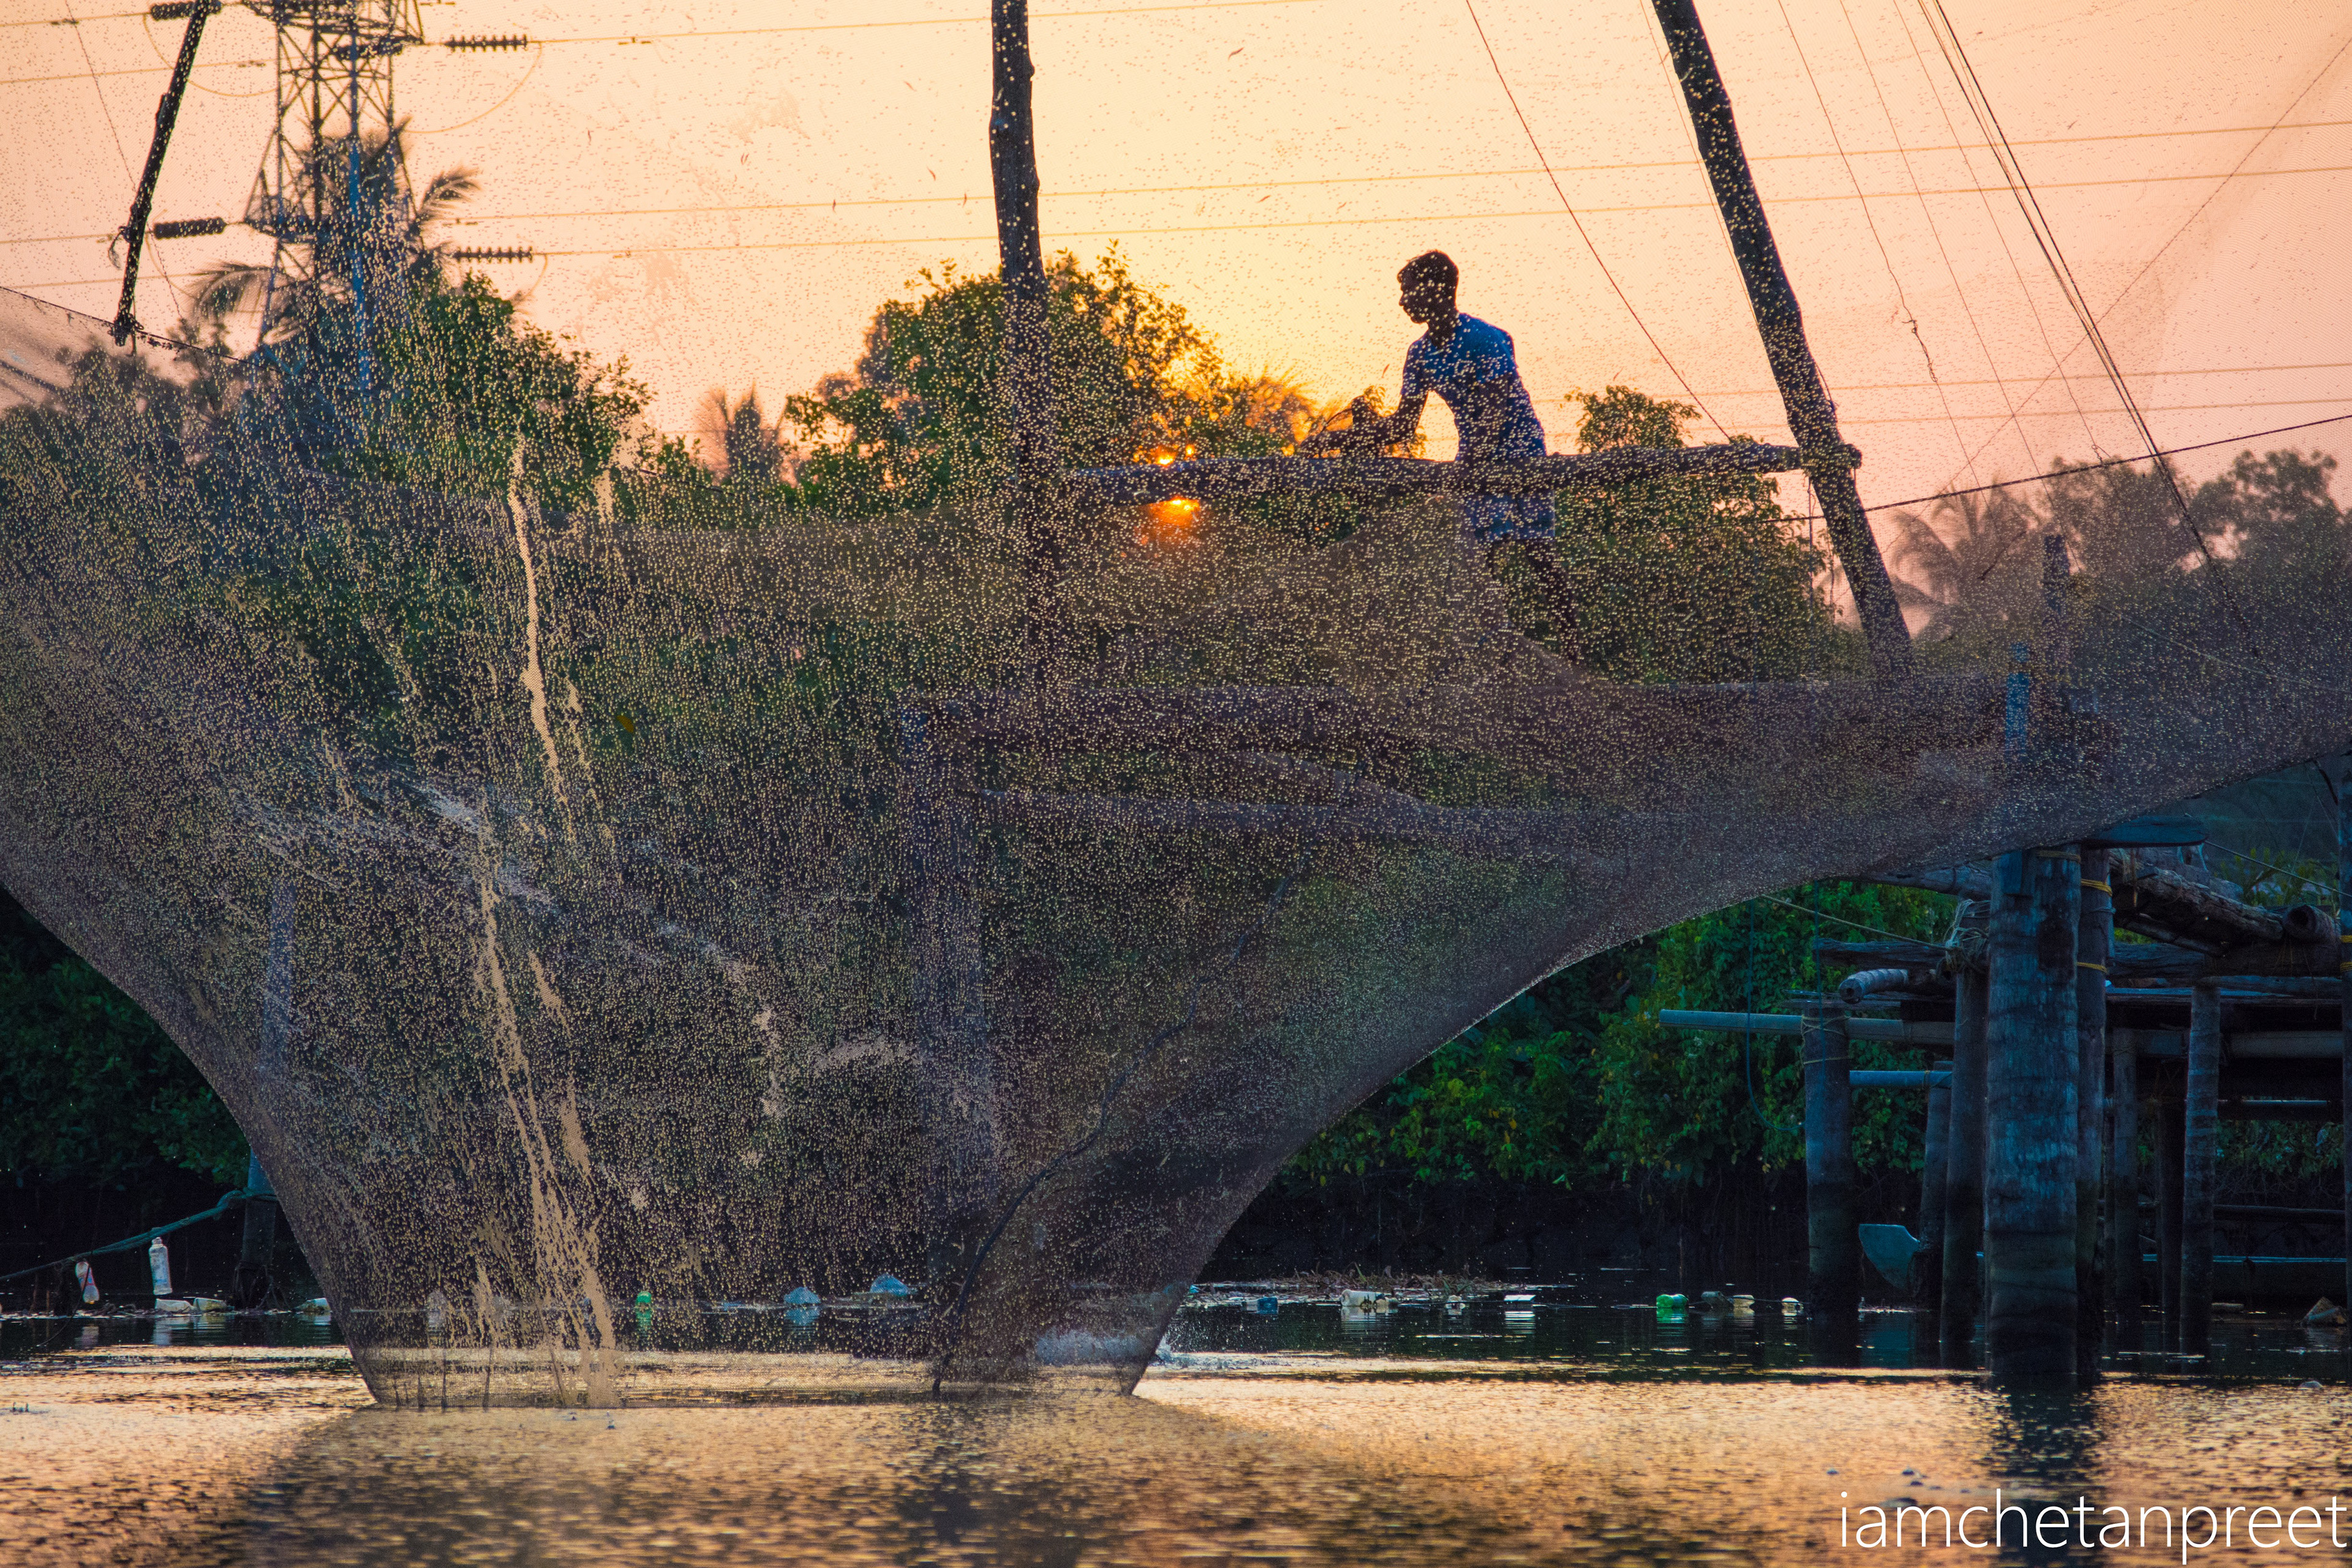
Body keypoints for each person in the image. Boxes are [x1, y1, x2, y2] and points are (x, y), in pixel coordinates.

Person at [1302, 250, 1580, 662]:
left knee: (1537, 553)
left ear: (1436, 289)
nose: (1403, 301)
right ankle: (1483, 652)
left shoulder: (1485, 339)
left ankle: (1574, 652)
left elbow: (1497, 408)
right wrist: (1338, 440)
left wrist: (1470, 468)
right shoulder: (1420, 355)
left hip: (1520, 451)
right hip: (1473, 455)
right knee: (1477, 557)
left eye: (1408, 290)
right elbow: (1401, 427)